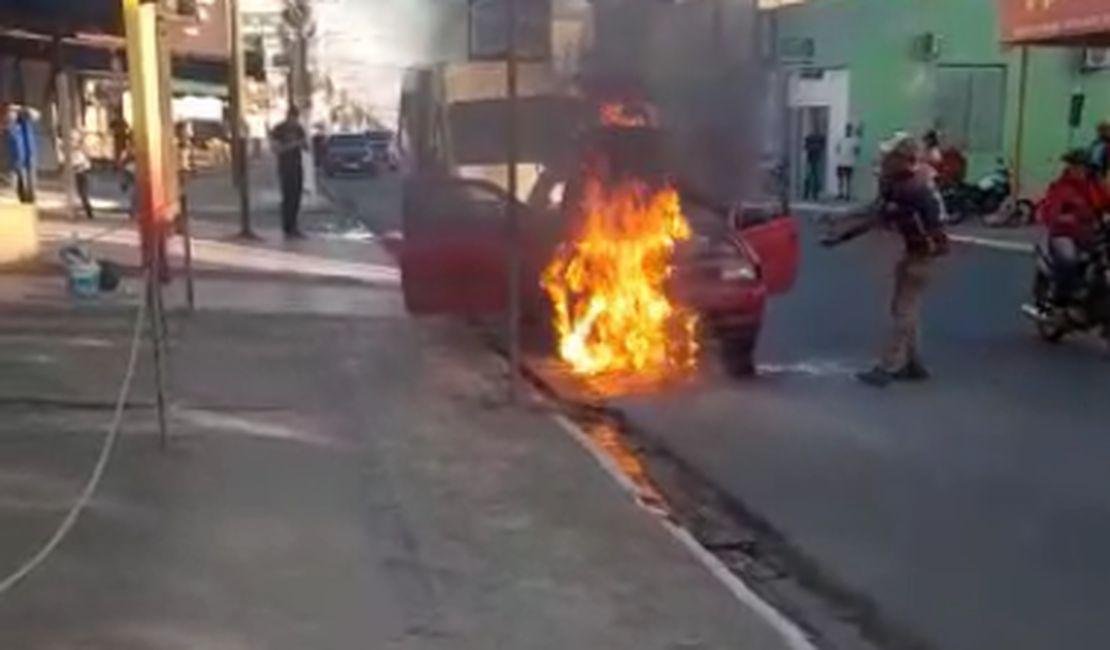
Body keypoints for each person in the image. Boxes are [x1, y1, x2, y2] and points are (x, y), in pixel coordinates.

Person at [820, 133, 949, 387]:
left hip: (922, 255)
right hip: (919, 252)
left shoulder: (907, 189)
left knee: (904, 310)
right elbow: (874, 209)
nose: (884, 159)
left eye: (890, 155)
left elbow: (875, 218)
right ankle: (914, 364)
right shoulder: (908, 181)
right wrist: (838, 218)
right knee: (904, 308)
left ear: (903, 158)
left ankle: (887, 367)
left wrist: (840, 237)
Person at [1039, 148, 1110, 304]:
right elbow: (1050, 213)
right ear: (1070, 167)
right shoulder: (1060, 187)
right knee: (1069, 260)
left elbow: (1107, 202)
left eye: (1083, 166)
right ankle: (1059, 298)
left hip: (1090, 233)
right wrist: (1068, 219)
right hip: (1064, 234)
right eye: (1076, 165)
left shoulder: (1095, 185)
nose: (1080, 169)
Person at [270, 107, 307, 238]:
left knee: (296, 197)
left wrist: (303, 144)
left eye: (296, 118)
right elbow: (276, 149)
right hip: (285, 168)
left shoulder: (299, 129)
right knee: (287, 197)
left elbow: (305, 147)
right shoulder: (278, 129)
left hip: (297, 166)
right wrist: (293, 144)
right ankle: (287, 227)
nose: (294, 121)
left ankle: (294, 226)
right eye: (293, 118)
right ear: (288, 116)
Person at [4, 106, 38, 203]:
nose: (10, 116)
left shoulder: (24, 124)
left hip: (28, 158)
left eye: (12, 114)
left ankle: (30, 203)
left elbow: (36, 115)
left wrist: (21, 109)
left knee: (30, 186)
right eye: (9, 114)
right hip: (15, 162)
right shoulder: (8, 128)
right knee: (19, 187)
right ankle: (24, 203)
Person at [834, 123, 860, 201]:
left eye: (849, 129)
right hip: (841, 162)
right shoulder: (841, 139)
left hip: (849, 162)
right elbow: (837, 148)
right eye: (847, 129)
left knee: (848, 180)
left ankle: (847, 194)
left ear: (851, 130)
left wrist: (853, 156)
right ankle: (841, 193)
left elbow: (857, 151)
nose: (848, 130)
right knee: (840, 179)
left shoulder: (855, 140)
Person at [802, 128, 826, 200]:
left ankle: (808, 193)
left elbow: (805, 147)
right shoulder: (819, 139)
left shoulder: (810, 139)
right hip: (814, 159)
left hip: (811, 159)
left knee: (810, 177)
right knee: (813, 177)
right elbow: (822, 148)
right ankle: (812, 194)